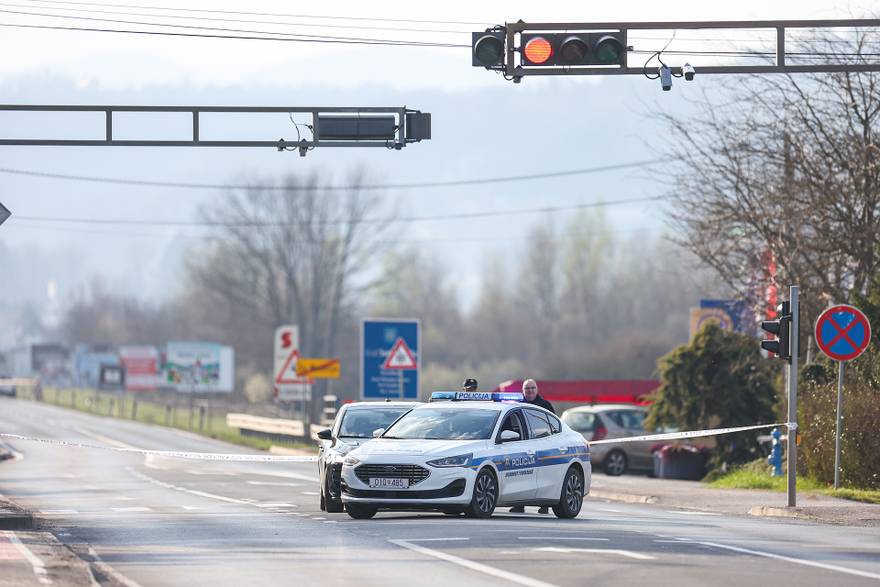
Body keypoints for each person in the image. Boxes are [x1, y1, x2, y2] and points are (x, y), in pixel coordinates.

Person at [511, 378, 555, 514]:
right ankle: (519, 505)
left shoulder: (545, 405)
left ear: (537, 390)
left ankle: (545, 504)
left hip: (543, 445)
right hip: (522, 446)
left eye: (532, 388)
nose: (530, 391)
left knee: (544, 475)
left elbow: (553, 425)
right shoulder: (516, 405)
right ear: (522, 391)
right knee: (521, 476)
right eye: (527, 388)